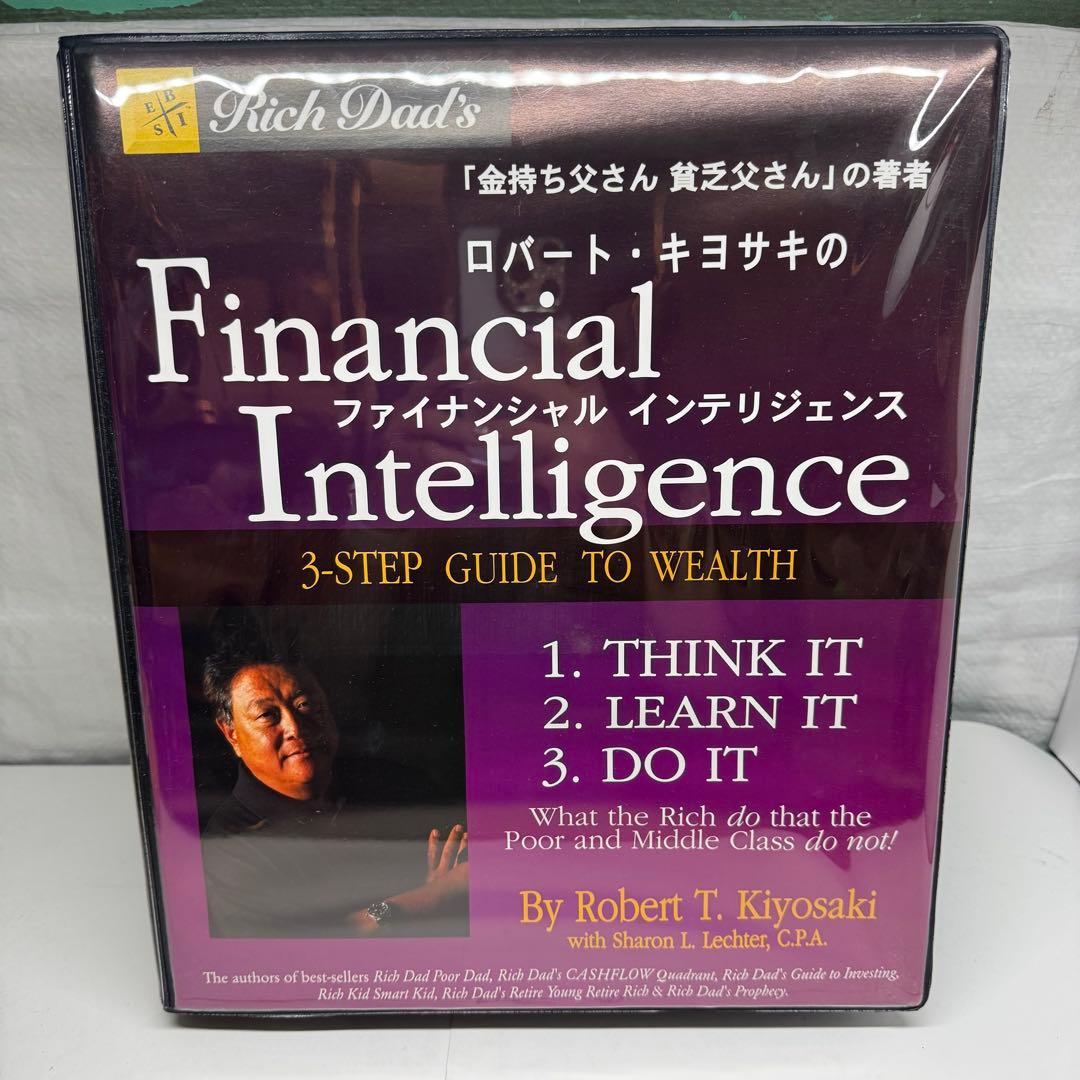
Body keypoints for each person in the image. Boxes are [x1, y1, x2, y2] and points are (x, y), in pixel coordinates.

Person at [200, 633, 468, 938]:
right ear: (231, 734)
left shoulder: (400, 783)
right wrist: (433, 896)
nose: (295, 727)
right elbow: (305, 952)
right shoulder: (229, 850)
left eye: (304, 704)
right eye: (267, 715)